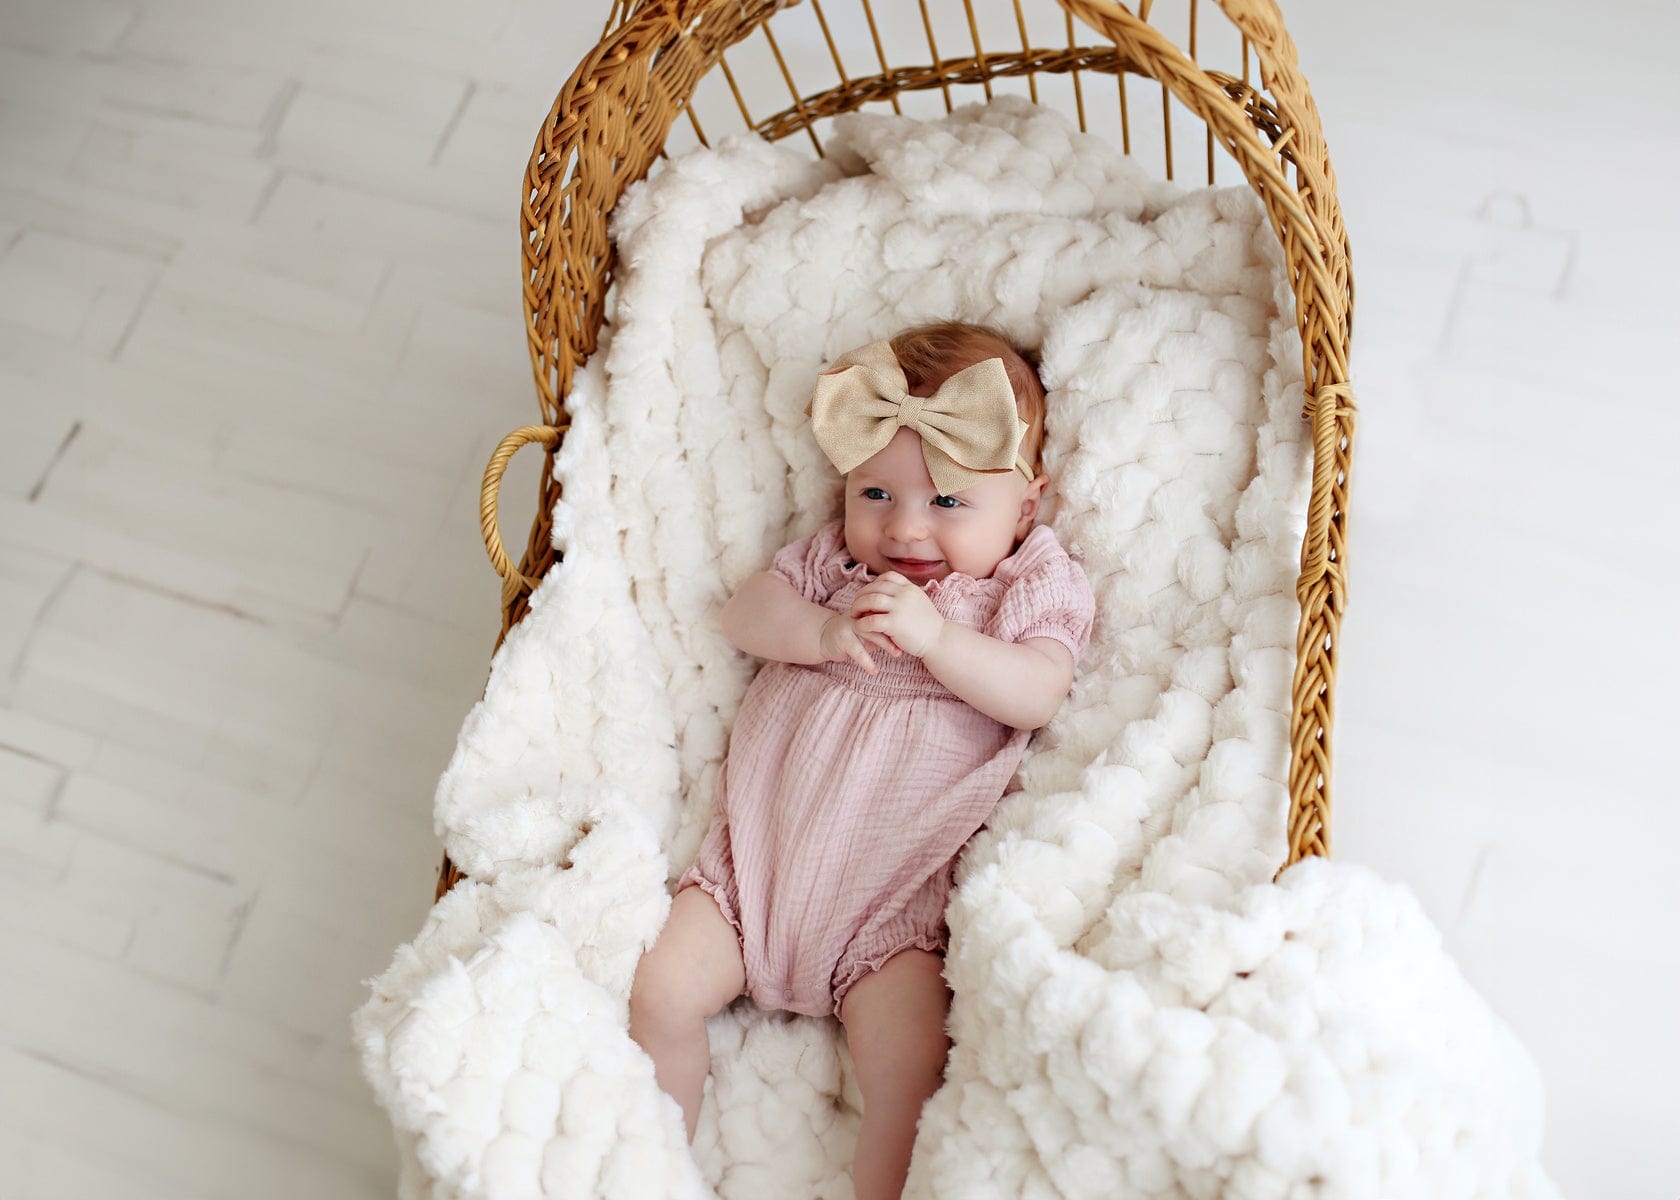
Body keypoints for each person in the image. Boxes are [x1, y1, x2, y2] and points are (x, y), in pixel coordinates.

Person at [628, 321, 1096, 1200]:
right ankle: (651, 1174)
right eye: (875, 492)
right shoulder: (832, 565)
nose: (906, 529)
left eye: (950, 503)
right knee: (656, 991)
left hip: (888, 915)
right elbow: (743, 614)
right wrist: (822, 631)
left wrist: (938, 638)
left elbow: (1038, 691)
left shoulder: (1022, 585)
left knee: (911, 1071)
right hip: (749, 881)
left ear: (1026, 508)